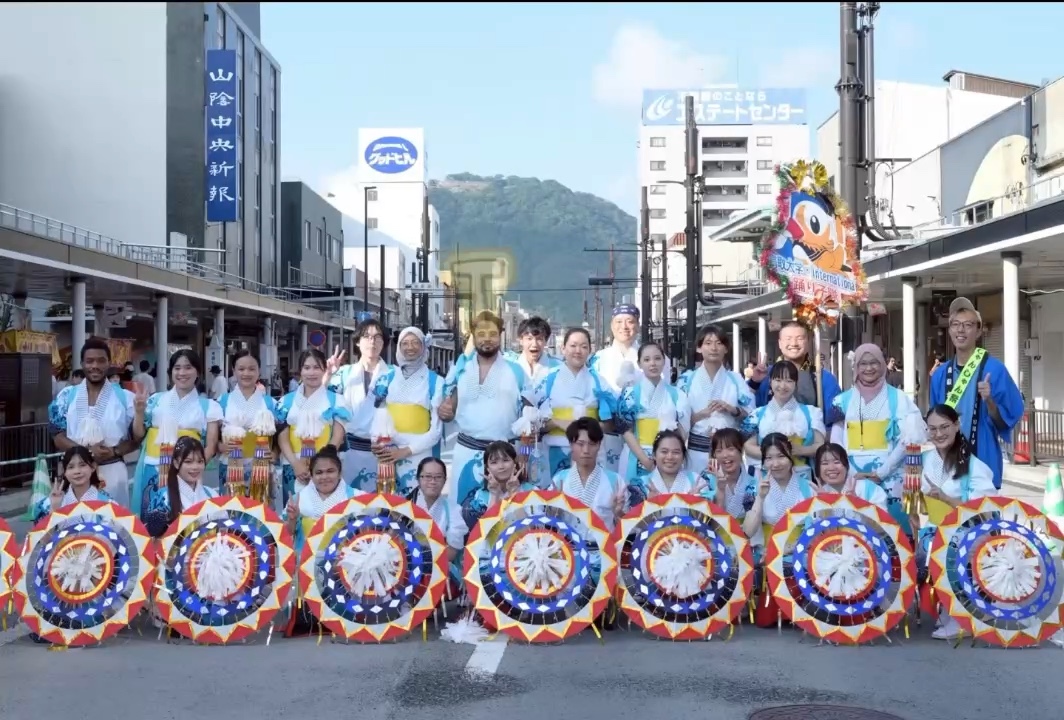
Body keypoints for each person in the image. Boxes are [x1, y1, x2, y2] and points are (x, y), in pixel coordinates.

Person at [916, 404, 997, 641]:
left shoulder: (974, 465)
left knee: (940, 550)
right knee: (925, 549)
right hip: (934, 528)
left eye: (944, 427)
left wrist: (946, 498)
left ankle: (958, 616)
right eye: (932, 429)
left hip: (967, 531)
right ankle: (947, 609)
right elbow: (921, 501)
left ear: (956, 426)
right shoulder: (925, 459)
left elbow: (985, 510)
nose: (939, 434)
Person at [439, 311, 529, 515]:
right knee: (462, 512)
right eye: (481, 333)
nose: (487, 339)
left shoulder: (516, 371)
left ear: (501, 335)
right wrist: (443, 410)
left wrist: (524, 456)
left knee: (503, 514)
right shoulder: (460, 369)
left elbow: (530, 420)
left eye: (492, 333)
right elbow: (447, 411)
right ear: (473, 336)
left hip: (503, 457)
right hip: (466, 451)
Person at [929, 297, 1024, 489]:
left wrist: (989, 401)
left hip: (984, 462)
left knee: (985, 518)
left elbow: (1007, 421)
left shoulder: (995, 370)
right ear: (949, 331)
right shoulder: (939, 375)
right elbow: (934, 423)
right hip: (947, 468)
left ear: (979, 331)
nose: (960, 330)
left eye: (968, 325)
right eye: (955, 324)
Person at [830, 344, 926, 528]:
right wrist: (849, 473)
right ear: (855, 367)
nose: (868, 368)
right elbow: (836, 441)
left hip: (893, 475)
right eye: (863, 363)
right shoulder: (841, 400)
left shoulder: (899, 398)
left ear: (883, 364)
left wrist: (882, 472)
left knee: (896, 533)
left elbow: (909, 439)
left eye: (874, 362)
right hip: (851, 476)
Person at [130, 350, 222, 521]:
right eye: (177, 368)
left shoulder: (209, 406)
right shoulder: (155, 400)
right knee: (152, 519)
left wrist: (191, 467)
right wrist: (139, 412)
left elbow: (210, 446)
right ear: (170, 372)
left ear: (198, 372)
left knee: (184, 520)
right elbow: (139, 435)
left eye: (188, 367)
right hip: (153, 467)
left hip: (187, 473)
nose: (182, 373)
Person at [48, 337, 141, 508]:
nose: (95, 366)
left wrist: (115, 450)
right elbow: (57, 435)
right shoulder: (66, 396)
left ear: (109, 363)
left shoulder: (126, 398)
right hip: (76, 472)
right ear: (82, 363)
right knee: (75, 526)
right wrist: (87, 453)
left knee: (114, 525)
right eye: (89, 361)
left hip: (112, 471)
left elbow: (137, 438)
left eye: (101, 361)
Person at [282, 446, 354, 637]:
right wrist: (292, 518)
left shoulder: (356, 497)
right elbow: (286, 534)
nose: (325, 477)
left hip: (345, 563)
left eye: (330, 471)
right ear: (311, 476)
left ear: (340, 472)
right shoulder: (299, 499)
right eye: (319, 473)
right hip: (307, 562)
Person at [535, 327, 616, 481]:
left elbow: (611, 423)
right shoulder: (548, 380)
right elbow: (533, 423)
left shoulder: (599, 381)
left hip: (590, 450)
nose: (578, 351)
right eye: (573, 346)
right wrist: (559, 422)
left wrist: (594, 427)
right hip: (556, 448)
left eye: (584, 346)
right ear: (563, 348)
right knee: (558, 496)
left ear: (590, 351)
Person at [370, 327, 444, 494]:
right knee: (389, 505)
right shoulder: (387, 377)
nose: (410, 347)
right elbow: (378, 416)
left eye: (415, 342)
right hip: (388, 452)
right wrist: (377, 443)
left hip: (419, 452)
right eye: (405, 343)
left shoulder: (436, 382)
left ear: (424, 346)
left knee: (417, 506)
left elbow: (436, 431)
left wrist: (405, 451)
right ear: (399, 347)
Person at [275, 349, 352, 504]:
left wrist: (322, 464)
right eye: (307, 367)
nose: (312, 372)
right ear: (300, 371)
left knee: (327, 512)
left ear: (324, 369)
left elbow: (337, 436)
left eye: (317, 367)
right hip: (293, 464)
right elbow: (282, 438)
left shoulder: (336, 400)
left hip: (326, 466)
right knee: (293, 511)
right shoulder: (286, 402)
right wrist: (296, 464)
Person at [677, 325, 754, 474]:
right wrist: (700, 415)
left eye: (719, 343)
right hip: (696, 451)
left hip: (728, 452)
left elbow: (751, 417)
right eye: (708, 343)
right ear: (699, 348)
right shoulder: (687, 380)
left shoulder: (736, 379)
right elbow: (676, 419)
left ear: (726, 348)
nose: (714, 348)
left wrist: (732, 410)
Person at [326, 319, 393, 489]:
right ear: (357, 341)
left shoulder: (394, 375)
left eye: (378, 337)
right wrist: (327, 376)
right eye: (367, 336)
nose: (373, 341)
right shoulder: (343, 373)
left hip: (383, 453)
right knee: (351, 506)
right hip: (350, 453)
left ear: (383, 342)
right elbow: (324, 404)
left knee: (381, 506)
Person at [616, 342, 688, 484]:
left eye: (657, 358)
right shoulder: (630, 394)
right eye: (647, 360)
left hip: (668, 457)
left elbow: (683, 431)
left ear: (664, 361)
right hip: (636, 454)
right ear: (639, 363)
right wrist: (644, 459)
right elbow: (626, 430)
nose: (653, 364)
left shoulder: (677, 394)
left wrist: (668, 455)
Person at [743, 361, 826, 481]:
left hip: (802, 476)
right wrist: (773, 456)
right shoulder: (756, 414)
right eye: (778, 380)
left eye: (789, 381)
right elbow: (748, 446)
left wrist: (802, 450)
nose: (783, 386)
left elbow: (820, 445)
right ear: (770, 382)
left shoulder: (812, 413)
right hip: (766, 477)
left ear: (796, 384)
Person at [748, 320, 841, 423]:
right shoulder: (765, 374)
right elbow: (747, 411)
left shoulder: (823, 378)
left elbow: (835, 421)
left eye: (800, 338)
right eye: (788, 339)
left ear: (808, 341)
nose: (794, 343)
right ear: (780, 343)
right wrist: (754, 384)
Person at [549, 417, 631, 529]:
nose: (586, 450)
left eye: (592, 444)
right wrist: (555, 510)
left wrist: (618, 513)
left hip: (604, 545)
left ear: (599, 445)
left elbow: (626, 529)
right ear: (571, 445)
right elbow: (549, 523)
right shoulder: (559, 480)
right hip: (569, 545)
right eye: (580, 444)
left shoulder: (615, 481)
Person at [217, 350, 278, 499]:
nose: (246, 373)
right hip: (230, 462)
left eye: (252, 369)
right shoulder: (222, 401)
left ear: (259, 371)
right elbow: (213, 436)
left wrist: (275, 453)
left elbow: (279, 437)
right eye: (241, 369)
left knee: (260, 510)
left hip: (261, 464)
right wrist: (220, 446)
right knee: (231, 509)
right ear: (233, 371)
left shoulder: (270, 403)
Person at [587, 304, 641, 472]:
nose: (624, 327)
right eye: (618, 322)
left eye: (630, 321)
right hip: (607, 430)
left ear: (638, 325)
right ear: (611, 326)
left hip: (640, 431)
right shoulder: (598, 359)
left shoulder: (650, 356)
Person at [407, 457, 467, 594]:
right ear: (418, 479)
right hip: (407, 566)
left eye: (438, 477)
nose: (433, 482)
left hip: (440, 566)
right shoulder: (405, 506)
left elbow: (452, 551)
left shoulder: (453, 509)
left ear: (445, 480)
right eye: (427, 477)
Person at [142, 435, 219, 538]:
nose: (195, 467)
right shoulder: (163, 498)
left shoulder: (212, 495)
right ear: (176, 463)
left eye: (200, 461)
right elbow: (155, 540)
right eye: (188, 462)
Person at [459, 441, 536, 531]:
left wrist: (514, 495)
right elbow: (485, 533)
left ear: (515, 464)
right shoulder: (480, 497)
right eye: (494, 462)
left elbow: (529, 531)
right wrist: (494, 495)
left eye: (505, 460)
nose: (501, 466)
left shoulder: (532, 492)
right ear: (487, 468)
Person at [32, 445, 113, 521]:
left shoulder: (107, 503)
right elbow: (42, 534)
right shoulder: (48, 504)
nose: (77, 471)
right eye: (71, 467)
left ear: (93, 467)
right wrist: (54, 507)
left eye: (82, 465)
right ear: (64, 471)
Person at [814, 442, 888, 509]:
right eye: (825, 463)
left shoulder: (868, 488)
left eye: (837, 462)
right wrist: (820, 504)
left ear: (846, 465)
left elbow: (882, 518)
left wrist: (857, 503)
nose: (831, 468)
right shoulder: (815, 494)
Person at [641, 429, 710, 499]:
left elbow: (712, 509)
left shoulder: (697, 482)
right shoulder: (641, 484)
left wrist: (697, 504)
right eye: (664, 452)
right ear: (654, 455)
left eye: (676, 452)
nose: (670, 457)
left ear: (683, 456)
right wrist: (648, 504)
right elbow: (634, 509)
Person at [504, 316, 560, 386]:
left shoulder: (557, 368)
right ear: (520, 340)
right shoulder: (508, 366)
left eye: (539, 339)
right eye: (529, 338)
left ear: (546, 341)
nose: (534, 344)